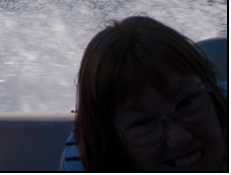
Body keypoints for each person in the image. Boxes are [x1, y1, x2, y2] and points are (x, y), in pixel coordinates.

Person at [64, 15, 228, 171]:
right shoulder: (83, 164)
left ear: (214, 97)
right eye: (144, 123)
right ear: (110, 143)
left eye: (187, 102)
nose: (180, 138)